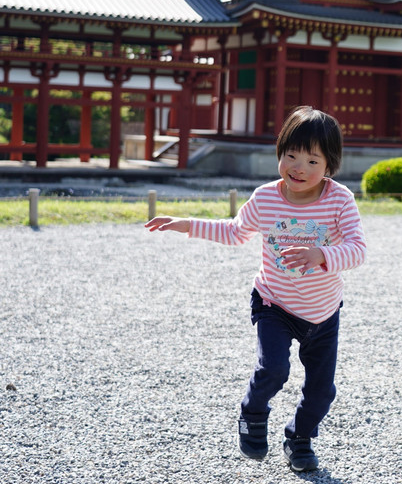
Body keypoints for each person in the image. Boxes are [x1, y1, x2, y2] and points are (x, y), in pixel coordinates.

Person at [145, 106, 366, 472]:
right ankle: (252, 411)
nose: (299, 167)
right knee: (274, 369)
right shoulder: (266, 198)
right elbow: (235, 232)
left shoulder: (339, 200)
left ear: (330, 165)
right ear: (279, 152)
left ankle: (299, 440)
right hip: (274, 303)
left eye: (312, 160)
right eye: (290, 155)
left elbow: (358, 250)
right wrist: (184, 224)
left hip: (323, 312)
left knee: (322, 391)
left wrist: (321, 253)